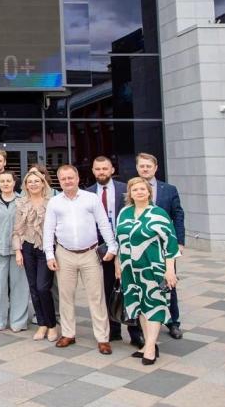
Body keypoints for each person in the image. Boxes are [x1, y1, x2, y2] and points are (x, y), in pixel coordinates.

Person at [43, 164, 117, 355]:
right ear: (59, 181)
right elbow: (48, 230)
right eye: (63, 179)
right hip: (64, 254)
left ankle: (103, 338)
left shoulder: (91, 199)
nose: (67, 181)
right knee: (66, 296)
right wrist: (49, 254)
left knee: (96, 296)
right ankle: (68, 334)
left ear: (77, 178)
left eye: (70, 177)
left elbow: (103, 224)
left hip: (90, 254)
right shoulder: (54, 202)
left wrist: (112, 246)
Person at [115, 177, 180, 365]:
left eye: (142, 189)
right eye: (135, 189)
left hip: (152, 267)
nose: (139, 192)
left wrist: (170, 270)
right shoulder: (125, 213)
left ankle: (151, 346)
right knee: (139, 306)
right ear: (130, 193)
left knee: (153, 305)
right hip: (129, 269)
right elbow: (119, 240)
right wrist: (118, 263)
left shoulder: (158, 213)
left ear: (149, 192)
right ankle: (146, 344)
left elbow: (171, 243)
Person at [88, 156, 140, 347]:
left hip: (127, 245)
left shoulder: (126, 189)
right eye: (98, 169)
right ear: (93, 171)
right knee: (109, 288)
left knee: (131, 288)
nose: (101, 172)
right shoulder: (88, 193)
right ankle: (114, 329)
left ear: (112, 170)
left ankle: (135, 332)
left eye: (105, 168)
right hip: (101, 247)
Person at [136, 152, 186, 340]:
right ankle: (142, 323)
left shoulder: (169, 190)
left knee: (169, 283)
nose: (145, 169)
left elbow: (178, 216)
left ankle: (173, 322)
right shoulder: (131, 188)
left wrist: (179, 242)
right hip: (140, 248)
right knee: (141, 285)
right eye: (142, 166)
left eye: (148, 166)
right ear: (137, 168)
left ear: (156, 168)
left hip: (164, 246)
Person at [12, 170, 58, 341]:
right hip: (27, 248)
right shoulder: (21, 203)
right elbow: (17, 230)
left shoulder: (52, 202)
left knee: (43, 287)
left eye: (36, 181)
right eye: (29, 181)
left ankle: (52, 325)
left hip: (46, 248)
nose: (33, 184)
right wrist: (18, 251)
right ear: (25, 185)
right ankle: (42, 324)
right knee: (33, 287)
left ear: (43, 183)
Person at [0, 171, 29, 332]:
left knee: (20, 286)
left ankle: (18, 322)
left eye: (8, 181)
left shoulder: (22, 201)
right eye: (2, 181)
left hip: (19, 250)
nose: (5, 183)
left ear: (14, 183)